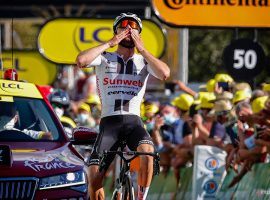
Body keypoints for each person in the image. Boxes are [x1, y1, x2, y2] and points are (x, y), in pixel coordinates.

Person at [76, 12, 170, 200]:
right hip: (109, 124)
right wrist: (110, 43)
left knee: (148, 152)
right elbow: (81, 61)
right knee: (94, 177)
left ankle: (141, 197)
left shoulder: (143, 61)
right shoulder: (104, 58)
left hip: (134, 123)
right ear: (116, 32)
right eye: (124, 28)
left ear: (139, 35)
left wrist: (143, 49)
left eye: (133, 29)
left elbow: (165, 73)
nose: (128, 32)